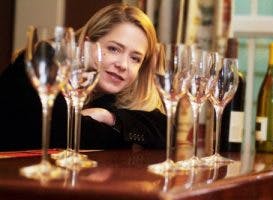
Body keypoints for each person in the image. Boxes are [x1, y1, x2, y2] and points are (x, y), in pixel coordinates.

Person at [0, 3, 166, 151]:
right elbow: (62, 133)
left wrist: (110, 117)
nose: (123, 65)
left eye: (135, 58)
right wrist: (120, 136)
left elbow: (166, 130)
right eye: (114, 49)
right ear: (86, 45)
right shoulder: (45, 59)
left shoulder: (107, 95)